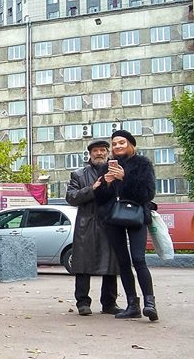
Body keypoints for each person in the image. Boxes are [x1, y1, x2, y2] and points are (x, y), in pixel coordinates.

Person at [94, 129, 159, 321]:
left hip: (136, 216)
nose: (117, 147)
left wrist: (125, 178)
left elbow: (147, 194)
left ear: (131, 144)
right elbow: (101, 200)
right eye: (114, 144)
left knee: (139, 259)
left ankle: (150, 303)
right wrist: (104, 184)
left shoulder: (143, 164)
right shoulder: (107, 167)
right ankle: (132, 304)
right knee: (123, 261)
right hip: (113, 218)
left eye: (121, 143)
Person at [65, 140, 120, 316]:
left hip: (109, 223)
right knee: (83, 265)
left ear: (107, 153)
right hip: (86, 224)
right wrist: (92, 188)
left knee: (111, 265)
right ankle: (82, 302)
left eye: (103, 150)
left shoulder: (116, 172)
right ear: (90, 154)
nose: (99, 153)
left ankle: (109, 303)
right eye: (95, 151)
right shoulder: (79, 175)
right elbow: (71, 197)